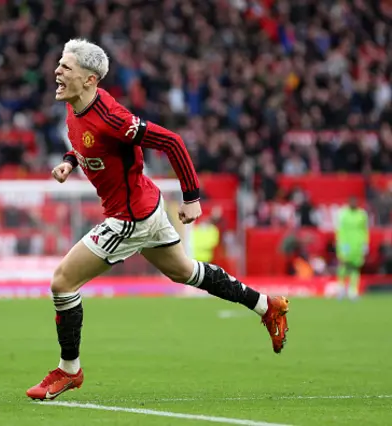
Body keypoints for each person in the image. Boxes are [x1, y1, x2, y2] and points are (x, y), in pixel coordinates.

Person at [26, 39, 290, 401]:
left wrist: (192, 197)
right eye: (59, 63)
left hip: (129, 218)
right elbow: (86, 143)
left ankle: (69, 370)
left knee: (62, 282)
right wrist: (69, 162)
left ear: (89, 80)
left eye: (66, 67)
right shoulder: (75, 106)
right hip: (145, 206)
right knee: (186, 272)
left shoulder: (113, 118)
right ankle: (266, 305)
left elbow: (172, 142)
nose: (57, 71)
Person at [335, 197, 369, 300]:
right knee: (344, 265)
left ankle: (352, 290)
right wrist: (340, 243)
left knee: (355, 267)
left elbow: (365, 230)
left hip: (357, 245)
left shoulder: (362, 215)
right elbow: (339, 229)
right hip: (345, 244)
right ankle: (341, 288)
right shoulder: (343, 214)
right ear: (348, 202)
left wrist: (365, 244)